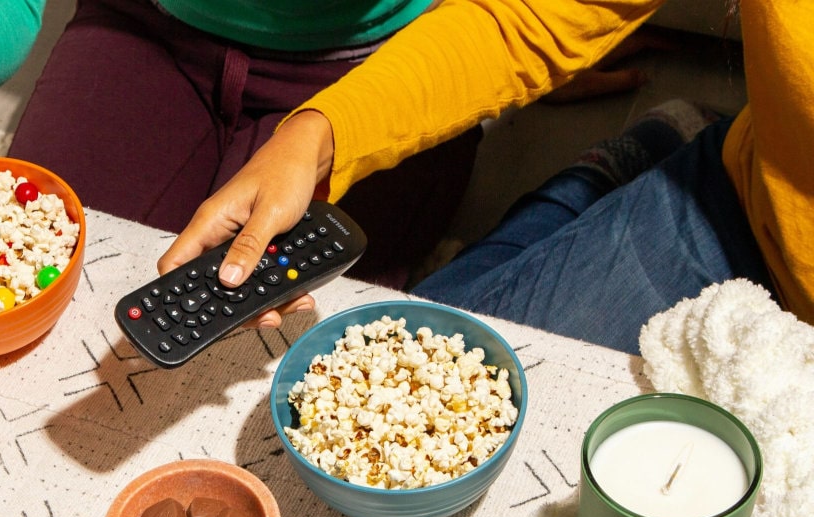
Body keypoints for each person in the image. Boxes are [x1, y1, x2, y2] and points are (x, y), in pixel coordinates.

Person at [0, 0, 646, 289]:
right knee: (44, 269)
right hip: (147, 30)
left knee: (290, 341)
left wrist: (321, 137)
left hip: (374, 65)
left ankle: (607, 164)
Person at [159, 0, 813, 355]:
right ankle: (633, 164)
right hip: (743, 206)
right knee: (399, 366)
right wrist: (320, 134)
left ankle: (611, 178)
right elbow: (532, 16)